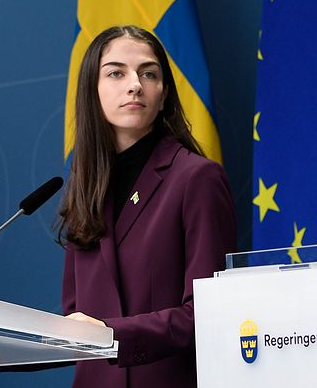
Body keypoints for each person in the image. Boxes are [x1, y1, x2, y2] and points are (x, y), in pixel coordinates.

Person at [57, 25, 236, 388]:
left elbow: (207, 314)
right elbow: (74, 316)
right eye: (116, 73)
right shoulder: (87, 187)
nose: (135, 84)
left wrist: (110, 333)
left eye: (149, 73)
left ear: (164, 92)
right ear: (92, 89)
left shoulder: (197, 179)